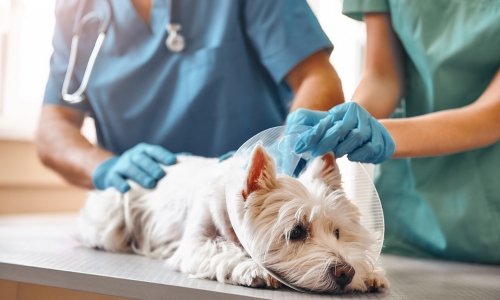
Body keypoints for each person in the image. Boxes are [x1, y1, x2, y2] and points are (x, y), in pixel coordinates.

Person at [36, 0, 345, 194]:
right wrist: (102, 168)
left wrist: (286, 149)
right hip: (142, 211)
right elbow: (54, 125)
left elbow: (316, 77)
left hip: (249, 203)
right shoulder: (76, 10)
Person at [286, 0, 500, 263]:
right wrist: (347, 120)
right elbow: (382, 75)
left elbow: (494, 113)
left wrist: (385, 134)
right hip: (408, 218)